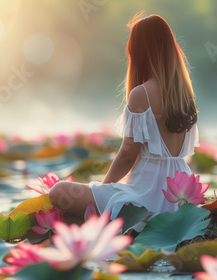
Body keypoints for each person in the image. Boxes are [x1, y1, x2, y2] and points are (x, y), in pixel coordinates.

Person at [49, 13, 199, 225]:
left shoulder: (143, 93)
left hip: (147, 192)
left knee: (59, 191)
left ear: (139, 52)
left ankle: (98, 223)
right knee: (71, 217)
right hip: (178, 193)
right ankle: (94, 224)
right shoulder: (185, 94)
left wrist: (103, 189)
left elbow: (128, 154)